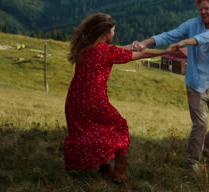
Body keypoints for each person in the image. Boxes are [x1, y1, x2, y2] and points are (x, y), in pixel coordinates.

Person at [64, 13, 176, 184]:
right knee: (120, 128)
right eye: (113, 30)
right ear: (105, 33)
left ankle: (102, 166)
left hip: (74, 99)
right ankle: (119, 173)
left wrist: (132, 46)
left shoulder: (85, 47)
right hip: (93, 99)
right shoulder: (107, 52)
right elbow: (143, 55)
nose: (114, 34)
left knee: (85, 132)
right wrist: (166, 51)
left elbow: (117, 51)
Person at [132, 0, 209, 174]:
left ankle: (206, 147)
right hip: (194, 82)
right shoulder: (192, 24)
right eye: (200, 8)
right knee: (200, 124)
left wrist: (185, 42)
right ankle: (192, 162)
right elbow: (170, 35)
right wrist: (146, 43)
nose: (203, 12)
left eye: (207, 8)